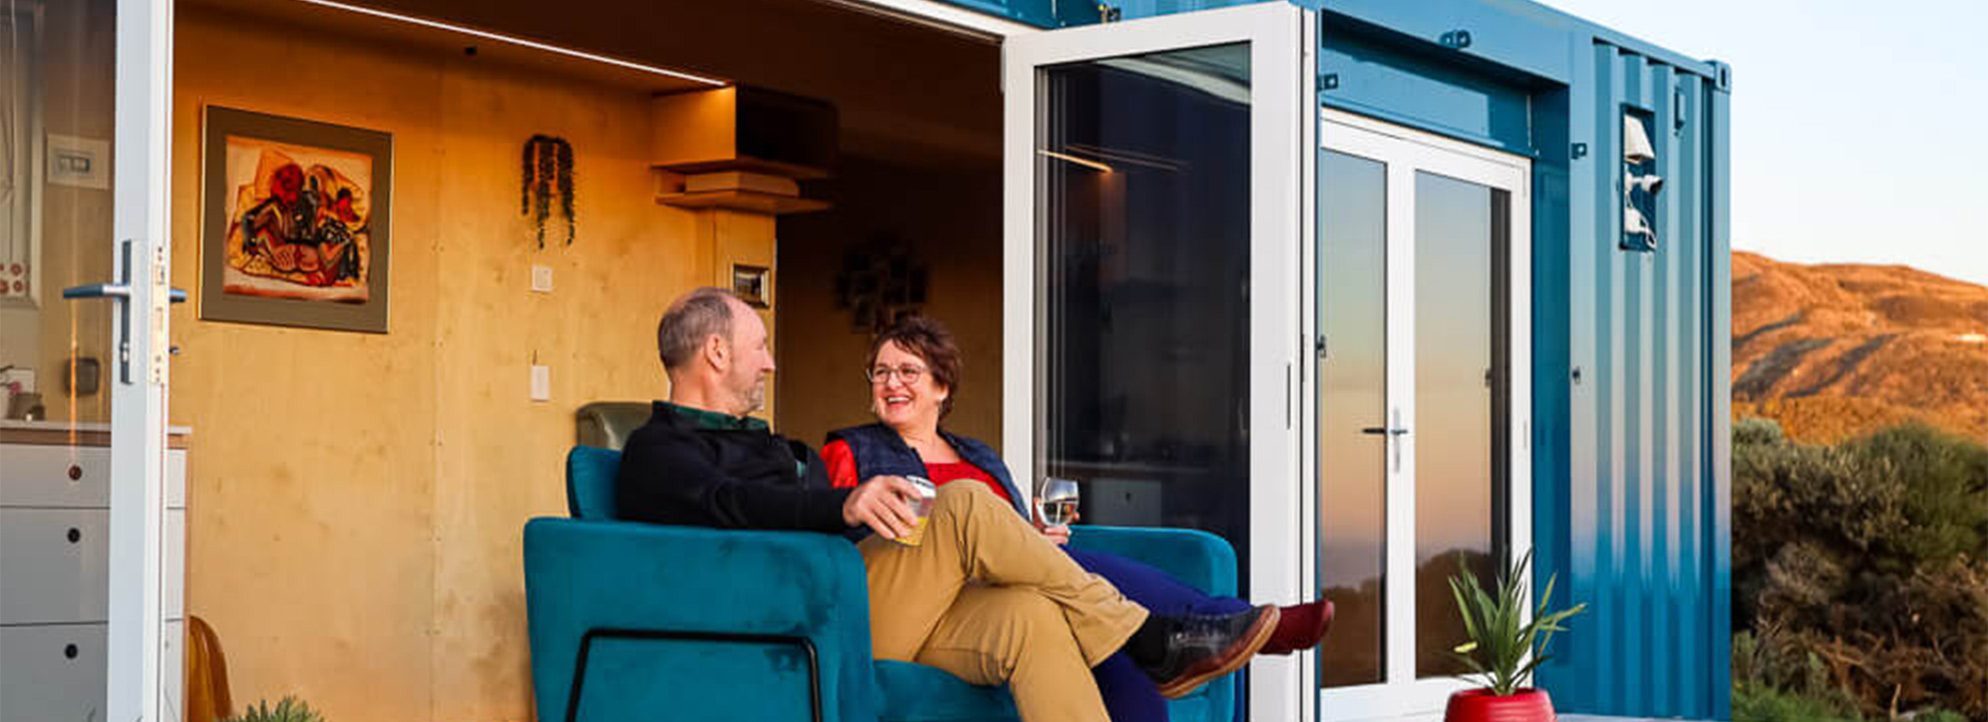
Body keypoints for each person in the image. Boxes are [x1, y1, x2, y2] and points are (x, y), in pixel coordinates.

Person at [615, 287, 1279, 722]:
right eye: (760, 348)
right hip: (797, 626)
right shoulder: (658, 450)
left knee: (1028, 614)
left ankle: (1155, 635)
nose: (770, 365)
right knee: (960, 503)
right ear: (716, 351)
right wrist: (844, 506)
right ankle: (1148, 635)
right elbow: (729, 505)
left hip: (861, 602)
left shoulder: (774, 445)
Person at [822, 315, 1337, 722]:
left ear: (942, 387)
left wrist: (1030, 538)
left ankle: (1175, 635)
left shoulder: (978, 458)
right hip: (899, 602)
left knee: (1049, 613)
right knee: (985, 518)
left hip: (980, 603)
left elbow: (1009, 533)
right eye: (881, 372)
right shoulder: (854, 450)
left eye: (907, 371)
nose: (891, 383)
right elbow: (845, 543)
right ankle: (1189, 628)